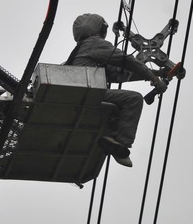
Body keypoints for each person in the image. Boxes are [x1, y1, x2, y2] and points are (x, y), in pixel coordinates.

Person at [66, 13, 167, 167]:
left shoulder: (80, 51)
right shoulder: (94, 43)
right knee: (133, 99)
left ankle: (113, 139)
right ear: (99, 30)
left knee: (121, 103)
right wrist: (153, 78)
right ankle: (120, 143)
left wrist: (156, 74)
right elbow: (126, 61)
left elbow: (119, 75)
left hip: (79, 97)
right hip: (89, 94)